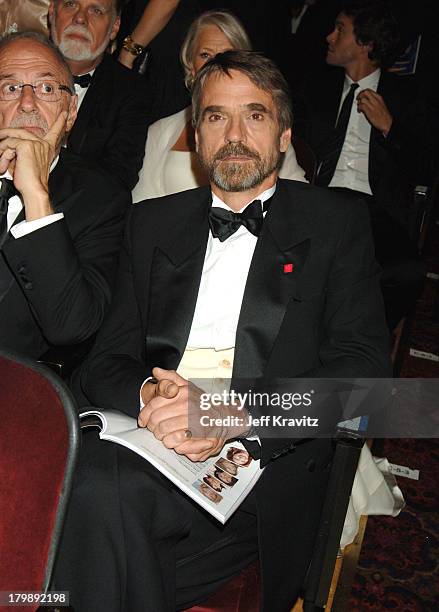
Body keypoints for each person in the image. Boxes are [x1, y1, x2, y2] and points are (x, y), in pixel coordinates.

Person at [54, 50, 390, 612]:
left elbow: (369, 380)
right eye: (215, 117)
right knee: (92, 491)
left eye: (254, 116)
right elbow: (103, 363)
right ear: (196, 136)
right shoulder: (151, 222)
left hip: (259, 465)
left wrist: (230, 414)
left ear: (284, 134)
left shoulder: (337, 223)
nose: (234, 134)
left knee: (87, 510)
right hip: (151, 443)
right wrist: (153, 396)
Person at [294, 0, 431, 330]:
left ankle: (362, 345)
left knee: (408, 272)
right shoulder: (314, 87)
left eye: (340, 29)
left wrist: (389, 127)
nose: (329, 36)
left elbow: (425, 168)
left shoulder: (407, 97)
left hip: (373, 210)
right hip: (318, 199)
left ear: (366, 43)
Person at [0, 31, 128, 362]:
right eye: (11, 88)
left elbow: (71, 326)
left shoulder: (101, 198)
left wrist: (37, 198)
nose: (27, 103)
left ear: (70, 112)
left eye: (45, 88)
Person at [132, 9, 306, 202]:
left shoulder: (267, 131)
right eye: (205, 55)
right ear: (190, 63)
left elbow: (302, 203)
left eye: (227, 55)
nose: (215, 64)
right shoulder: (158, 133)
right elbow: (143, 209)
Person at [48, 0, 150, 191]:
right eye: (70, 4)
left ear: (114, 27)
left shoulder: (131, 91)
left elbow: (119, 178)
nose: (80, 18)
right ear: (52, 12)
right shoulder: (11, 66)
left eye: (96, 10)